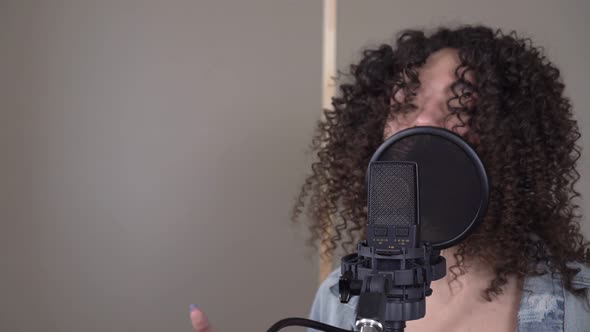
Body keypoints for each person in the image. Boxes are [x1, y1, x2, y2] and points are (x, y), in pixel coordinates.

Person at [190, 25, 590, 332]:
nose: (423, 121)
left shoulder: (578, 305)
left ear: (512, 138)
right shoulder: (339, 298)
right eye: (405, 104)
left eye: (462, 108)